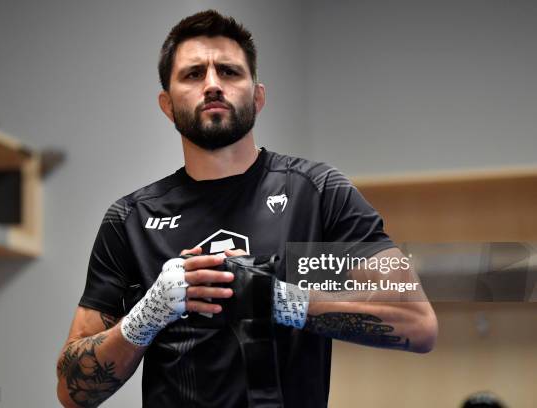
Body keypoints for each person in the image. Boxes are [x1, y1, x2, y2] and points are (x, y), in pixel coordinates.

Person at [56, 9, 438, 408]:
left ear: (257, 96)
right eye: (192, 74)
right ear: (167, 106)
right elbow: (71, 392)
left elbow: (417, 323)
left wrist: (278, 299)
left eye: (229, 71)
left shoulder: (316, 194)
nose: (212, 85)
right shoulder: (132, 221)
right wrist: (147, 315)